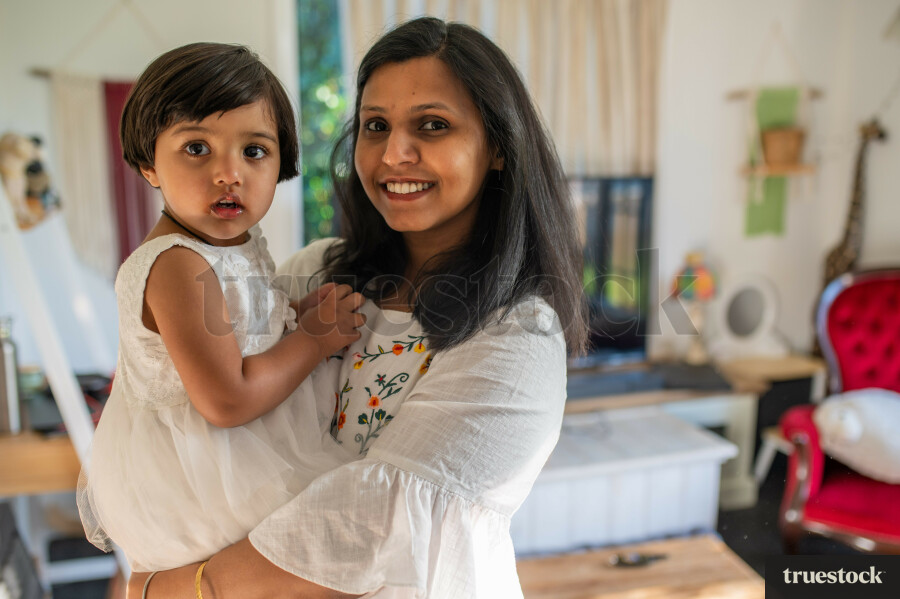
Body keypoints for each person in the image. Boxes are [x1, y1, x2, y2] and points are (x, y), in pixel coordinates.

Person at [130, 16, 588, 598]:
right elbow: (191, 402)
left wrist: (170, 589)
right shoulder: (313, 271)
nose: (395, 153)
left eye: (433, 125)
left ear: (498, 147)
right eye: (376, 125)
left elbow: (373, 524)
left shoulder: (519, 335)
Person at [76, 42, 366, 573]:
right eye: (197, 149)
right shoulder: (177, 265)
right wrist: (314, 340)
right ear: (148, 163)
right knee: (339, 540)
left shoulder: (234, 242)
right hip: (200, 480)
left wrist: (291, 317)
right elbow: (227, 400)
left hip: (233, 454)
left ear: (282, 163)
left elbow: (239, 329)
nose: (228, 173)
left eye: (254, 151)